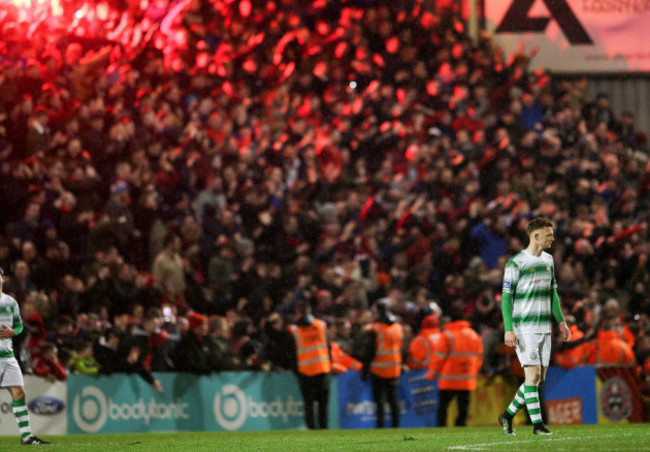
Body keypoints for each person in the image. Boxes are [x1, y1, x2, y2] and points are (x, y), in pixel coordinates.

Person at [497, 216, 571, 436]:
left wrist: (562, 322)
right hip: (524, 327)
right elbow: (506, 299)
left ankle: (507, 415)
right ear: (536, 235)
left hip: (543, 326)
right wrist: (509, 328)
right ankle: (537, 425)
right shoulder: (516, 263)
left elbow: (552, 293)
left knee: (538, 379)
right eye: (549, 234)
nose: (552, 238)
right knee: (532, 376)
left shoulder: (548, 260)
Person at [0, 267, 50, 445]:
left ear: (2, 279)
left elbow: (20, 325)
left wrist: (13, 331)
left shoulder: (10, 302)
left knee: (19, 392)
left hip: (7, 356)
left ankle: (27, 437)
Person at [426, 310, 483, 427]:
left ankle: (441, 427)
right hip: (467, 379)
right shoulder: (474, 335)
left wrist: (431, 374)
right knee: (463, 407)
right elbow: (479, 357)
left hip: (449, 380)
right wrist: (473, 371)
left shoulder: (447, 335)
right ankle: (460, 427)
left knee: (443, 406)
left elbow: (439, 357)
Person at [288, 300, 332, 429]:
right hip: (323, 369)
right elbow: (328, 347)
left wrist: (296, 371)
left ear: (298, 312)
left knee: (309, 405)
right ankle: (324, 430)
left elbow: (291, 353)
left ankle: (312, 430)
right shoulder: (321, 325)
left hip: (305, 372)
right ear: (309, 311)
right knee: (323, 405)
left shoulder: (294, 330)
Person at [361, 300, 404, 429]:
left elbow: (370, 351)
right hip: (394, 368)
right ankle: (396, 426)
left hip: (379, 369)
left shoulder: (376, 329)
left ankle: (380, 426)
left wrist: (365, 369)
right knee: (393, 400)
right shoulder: (397, 327)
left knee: (379, 401)